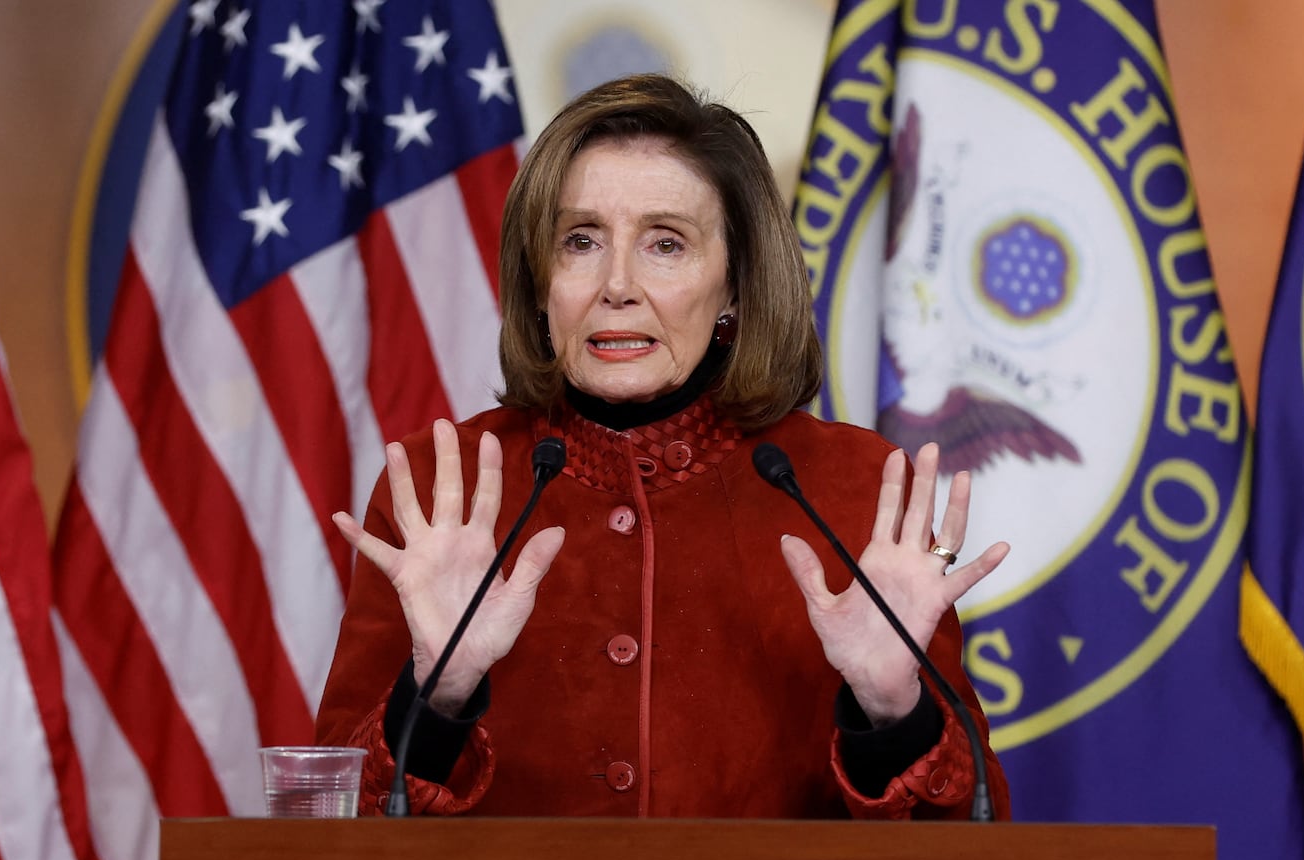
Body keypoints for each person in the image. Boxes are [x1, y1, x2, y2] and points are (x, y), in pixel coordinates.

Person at [315, 73, 1011, 820]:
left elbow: (973, 843)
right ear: (539, 279)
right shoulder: (435, 486)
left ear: (735, 285)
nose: (616, 284)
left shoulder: (852, 487)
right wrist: (439, 689)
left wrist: (893, 711)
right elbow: (332, 836)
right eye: (579, 241)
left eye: (666, 243)